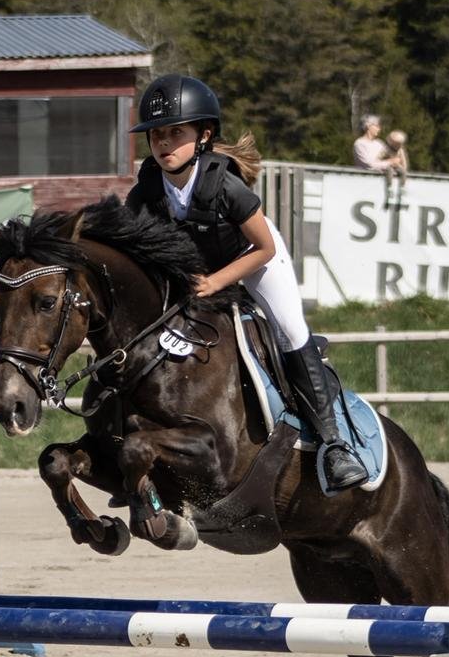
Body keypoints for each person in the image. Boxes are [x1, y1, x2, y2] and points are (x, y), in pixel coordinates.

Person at [126, 74, 367, 491]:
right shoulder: (146, 191)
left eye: (175, 133)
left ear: (203, 136)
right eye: (157, 135)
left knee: (291, 331)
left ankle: (335, 444)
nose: (163, 143)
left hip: (251, 259)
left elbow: (265, 248)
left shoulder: (225, 185)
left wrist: (217, 282)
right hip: (195, 273)